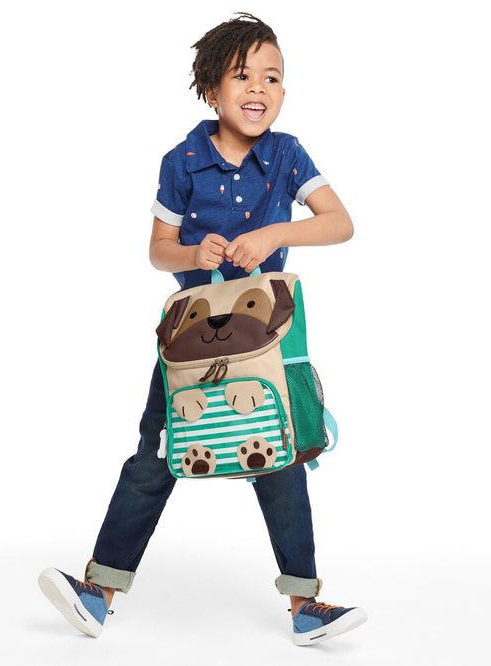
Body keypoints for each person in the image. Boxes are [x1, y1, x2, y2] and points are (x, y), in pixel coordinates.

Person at [38, 12, 367, 646]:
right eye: (243, 75)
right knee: (157, 454)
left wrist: (275, 233)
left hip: (266, 338)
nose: (259, 87)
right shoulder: (181, 161)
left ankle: (305, 605)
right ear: (211, 90)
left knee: (282, 458)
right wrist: (192, 254)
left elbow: (340, 222)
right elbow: (157, 249)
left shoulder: (287, 154)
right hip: (190, 343)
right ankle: (98, 592)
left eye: (272, 77)